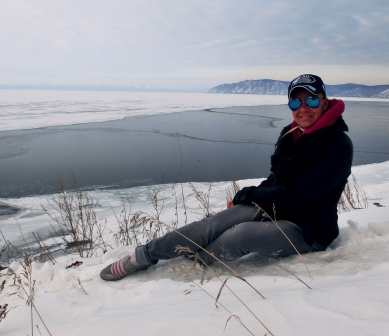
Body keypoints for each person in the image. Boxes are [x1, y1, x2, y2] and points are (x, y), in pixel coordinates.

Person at [100, 74, 353, 281]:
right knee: (214, 223)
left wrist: (251, 195)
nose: (303, 108)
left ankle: (196, 259)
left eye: (310, 100)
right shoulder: (293, 134)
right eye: (295, 103)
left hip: (309, 229)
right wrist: (251, 195)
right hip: (278, 209)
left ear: (325, 101)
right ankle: (142, 257)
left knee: (240, 235)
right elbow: (278, 179)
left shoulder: (338, 145)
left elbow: (300, 195)